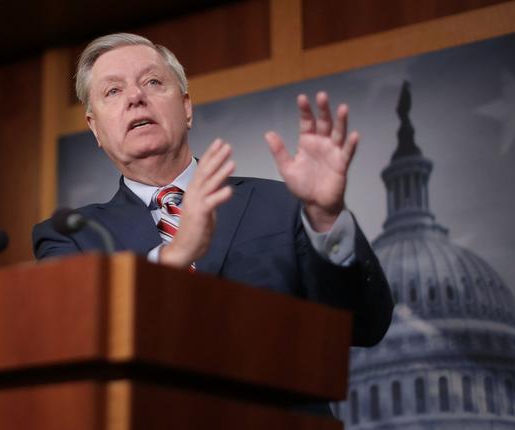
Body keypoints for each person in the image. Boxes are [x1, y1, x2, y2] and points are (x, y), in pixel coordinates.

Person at [33, 33, 393, 349]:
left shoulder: (285, 207)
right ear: (95, 129)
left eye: (153, 82)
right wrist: (174, 256)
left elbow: (364, 326)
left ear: (186, 108)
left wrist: (327, 219)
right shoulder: (72, 237)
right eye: (113, 91)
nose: (136, 97)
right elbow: (70, 334)